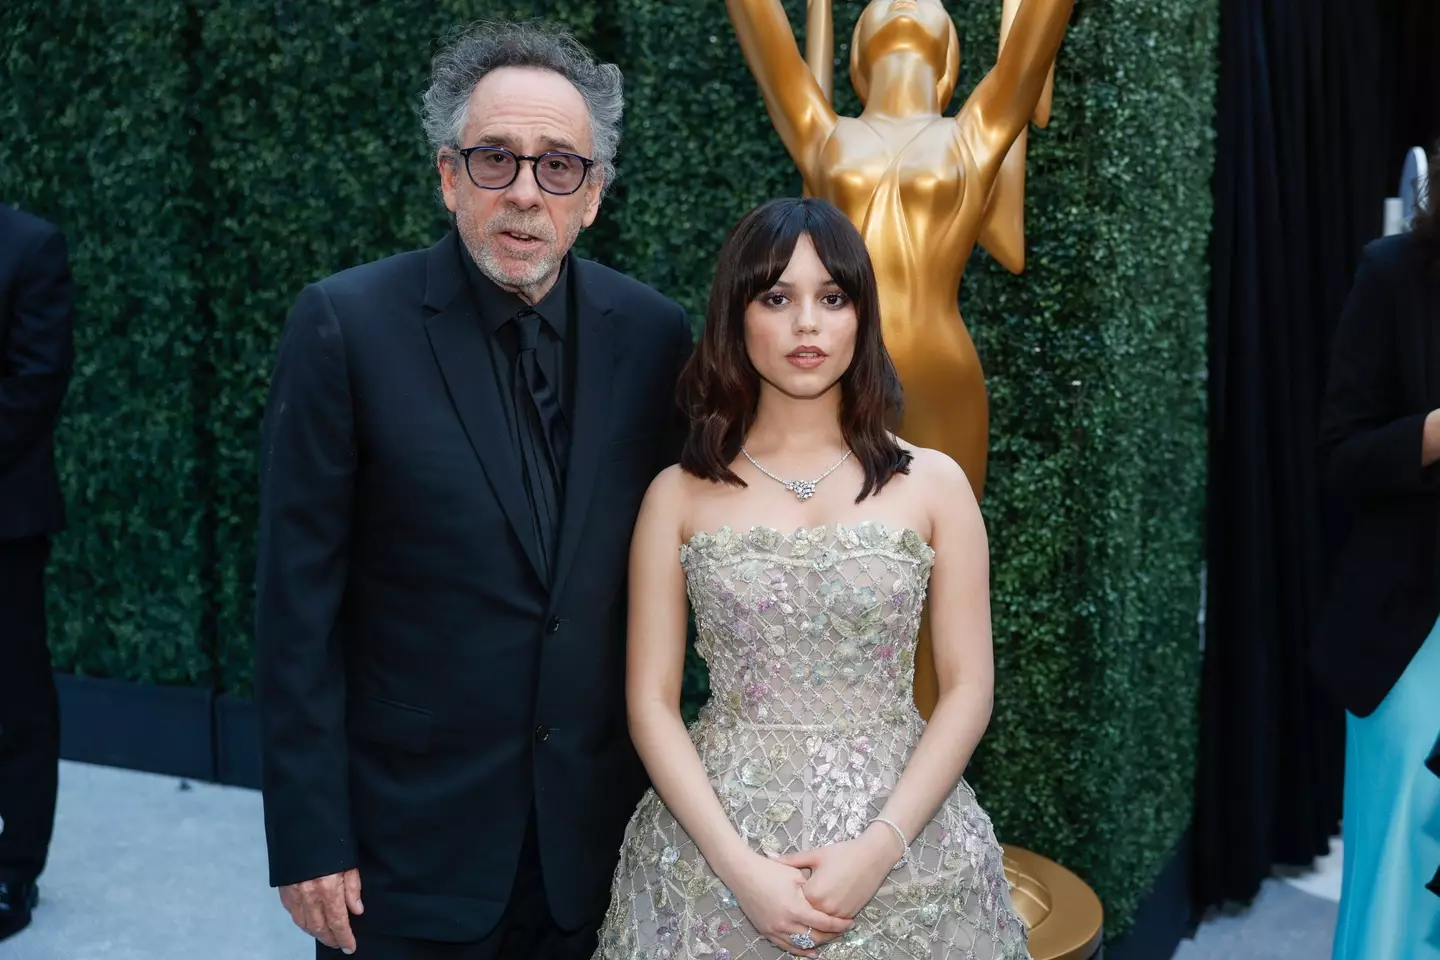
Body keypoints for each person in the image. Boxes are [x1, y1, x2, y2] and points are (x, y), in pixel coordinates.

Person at [254, 20, 692, 960]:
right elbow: (296, 613)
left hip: (595, 850)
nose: (526, 193)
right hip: (405, 854)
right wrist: (307, 837)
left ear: (595, 196)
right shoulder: (344, 325)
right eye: (497, 160)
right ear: (450, 177)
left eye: (558, 167)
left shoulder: (655, 335)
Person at [593, 197, 1029, 959]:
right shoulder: (676, 495)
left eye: (832, 298)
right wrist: (741, 872)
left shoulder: (934, 485)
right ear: (737, 316)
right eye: (777, 297)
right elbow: (650, 704)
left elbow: (968, 690)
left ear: (862, 317)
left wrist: (877, 850)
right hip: (715, 853)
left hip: (906, 845)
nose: (807, 324)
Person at [1313, 156, 1440, 959]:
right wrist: (1433, 433)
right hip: (1408, 624)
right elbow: (1341, 454)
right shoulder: (1394, 273)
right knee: (1397, 864)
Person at [0, 203, 74, 943]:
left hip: (4, 527)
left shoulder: (29, 246)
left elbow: (34, 385)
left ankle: (14, 868)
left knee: (14, 704)